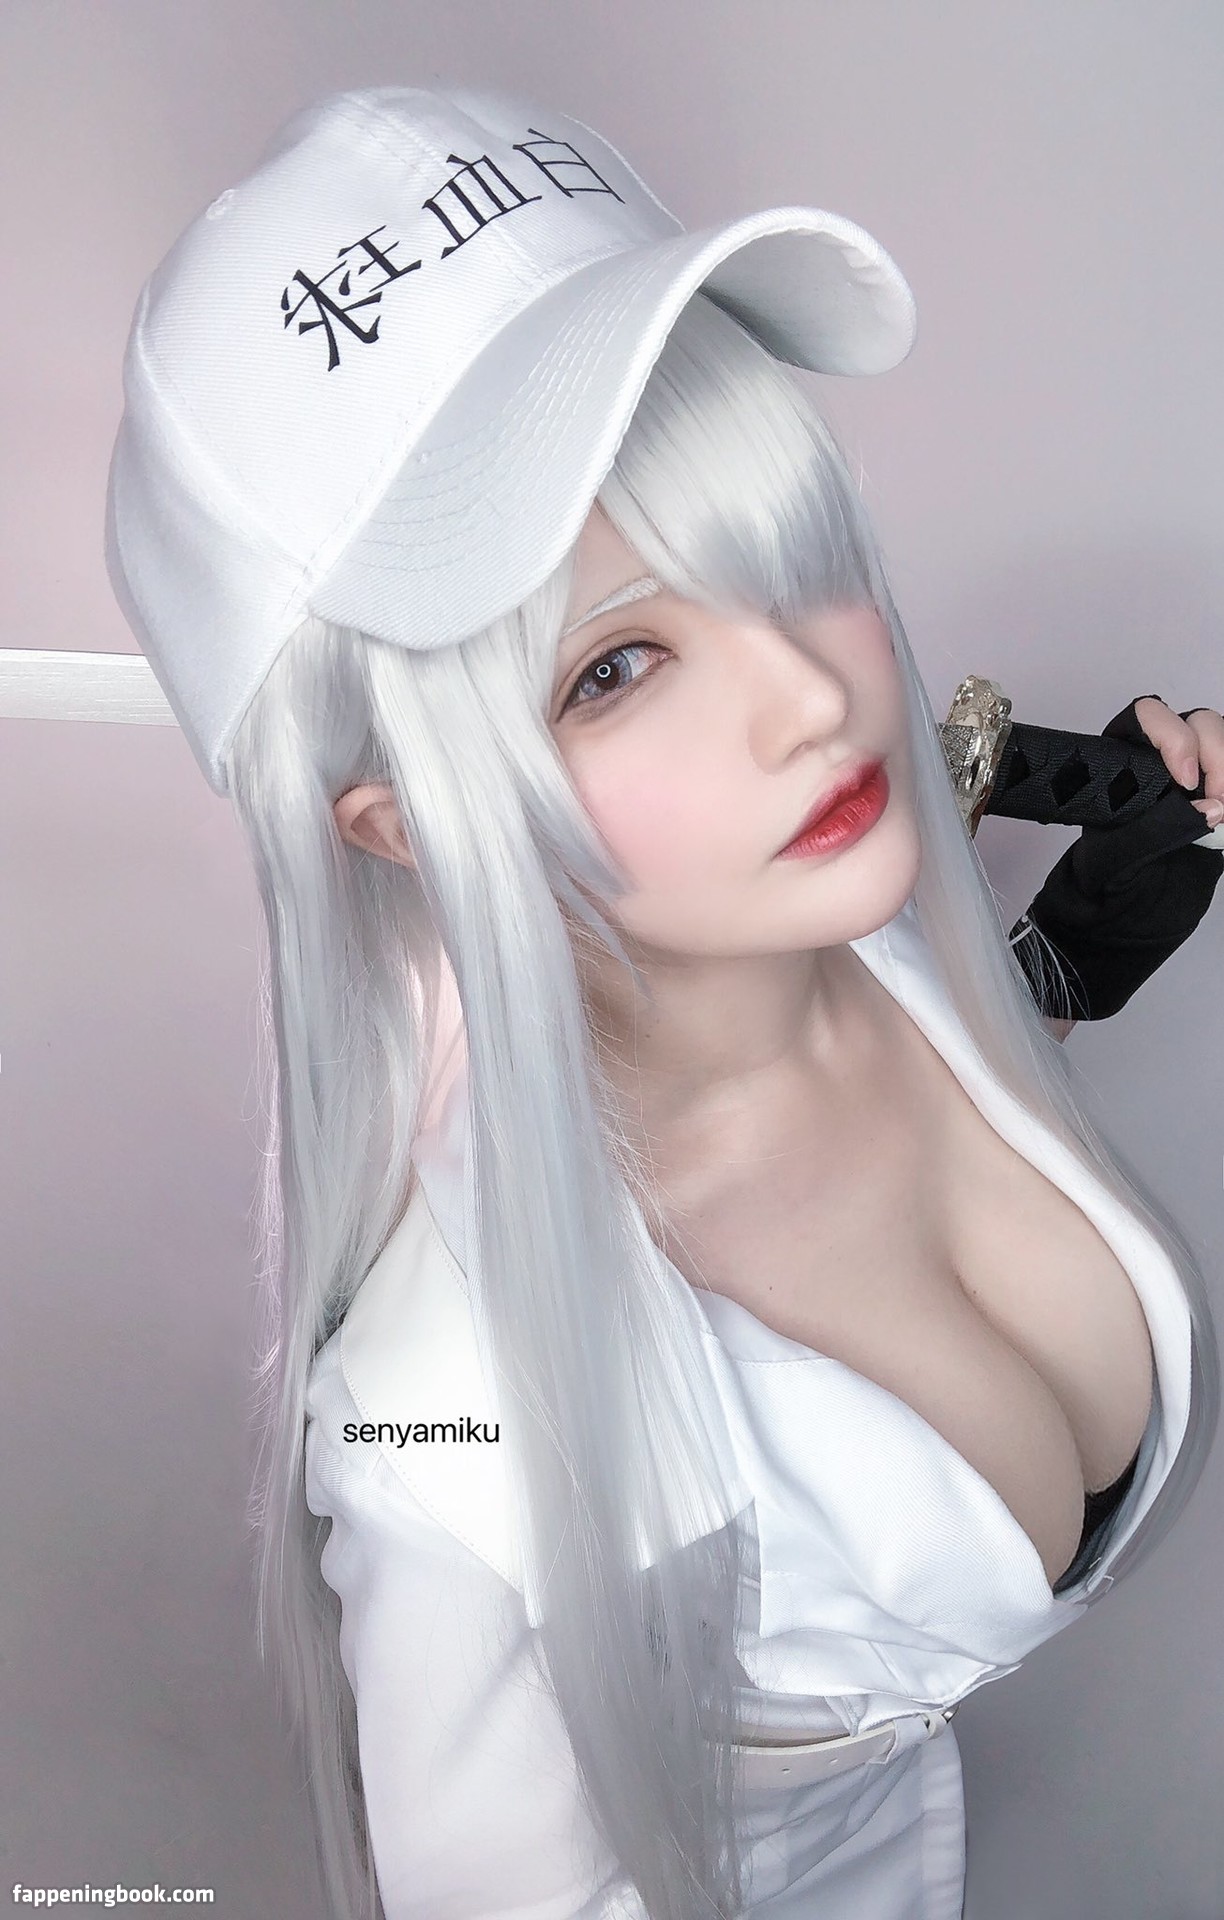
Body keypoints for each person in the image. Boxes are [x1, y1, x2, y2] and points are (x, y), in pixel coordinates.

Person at [92, 86, 1222, 1920]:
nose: (809, 697)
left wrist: (1058, 974)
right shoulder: (450, 1430)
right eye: (614, 668)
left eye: (781, 555)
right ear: (400, 822)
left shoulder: (824, 914)